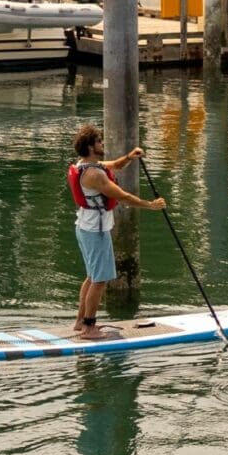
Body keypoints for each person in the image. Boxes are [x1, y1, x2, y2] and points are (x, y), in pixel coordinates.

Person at [68, 124, 164, 338]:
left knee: (92, 277)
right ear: (91, 147)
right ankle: (88, 328)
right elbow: (123, 197)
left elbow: (114, 165)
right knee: (100, 280)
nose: (102, 143)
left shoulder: (85, 165)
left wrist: (130, 157)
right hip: (95, 231)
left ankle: (80, 322)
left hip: (85, 227)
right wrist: (150, 205)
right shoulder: (94, 175)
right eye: (99, 141)